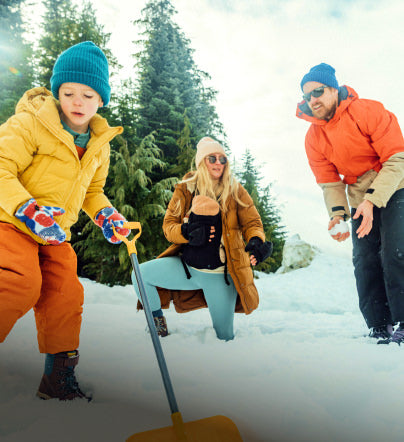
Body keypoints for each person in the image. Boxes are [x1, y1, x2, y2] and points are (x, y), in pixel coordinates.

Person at [0, 41, 130, 400]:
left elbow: (92, 191)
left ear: (101, 100)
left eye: (88, 95)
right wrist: (27, 209)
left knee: (65, 293)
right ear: (57, 92)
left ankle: (59, 378)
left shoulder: (99, 144)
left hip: (53, 232)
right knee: (19, 282)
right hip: (10, 220)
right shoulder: (31, 123)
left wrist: (106, 215)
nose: (77, 101)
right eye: (68, 92)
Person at [296, 63, 404, 344]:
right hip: (358, 195)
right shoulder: (313, 138)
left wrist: (373, 201)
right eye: (307, 96)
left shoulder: (368, 111)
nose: (313, 100)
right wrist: (338, 215)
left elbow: (397, 159)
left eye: (318, 92)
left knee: (395, 253)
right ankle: (379, 323)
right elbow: (330, 182)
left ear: (334, 88)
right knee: (365, 259)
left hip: (395, 187)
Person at [132, 137, 272, 341]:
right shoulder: (185, 188)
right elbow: (168, 226)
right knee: (140, 273)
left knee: (225, 338)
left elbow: (253, 223)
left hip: (221, 276)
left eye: (222, 159)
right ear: (201, 162)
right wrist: (185, 231)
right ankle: (156, 321)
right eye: (212, 158)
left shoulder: (235, 189)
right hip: (188, 269)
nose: (218, 163)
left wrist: (257, 241)